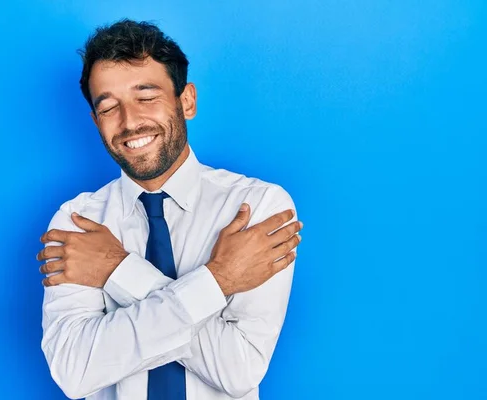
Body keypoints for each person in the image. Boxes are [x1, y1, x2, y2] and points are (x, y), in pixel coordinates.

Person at [36, 18, 303, 400]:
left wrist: (117, 269)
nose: (129, 122)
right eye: (109, 107)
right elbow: (75, 371)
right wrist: (219, 281)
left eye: (146, 97)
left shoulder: (258, 208)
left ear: (187, 100)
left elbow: (238, 368)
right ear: (96, 121)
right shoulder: (78, 223)